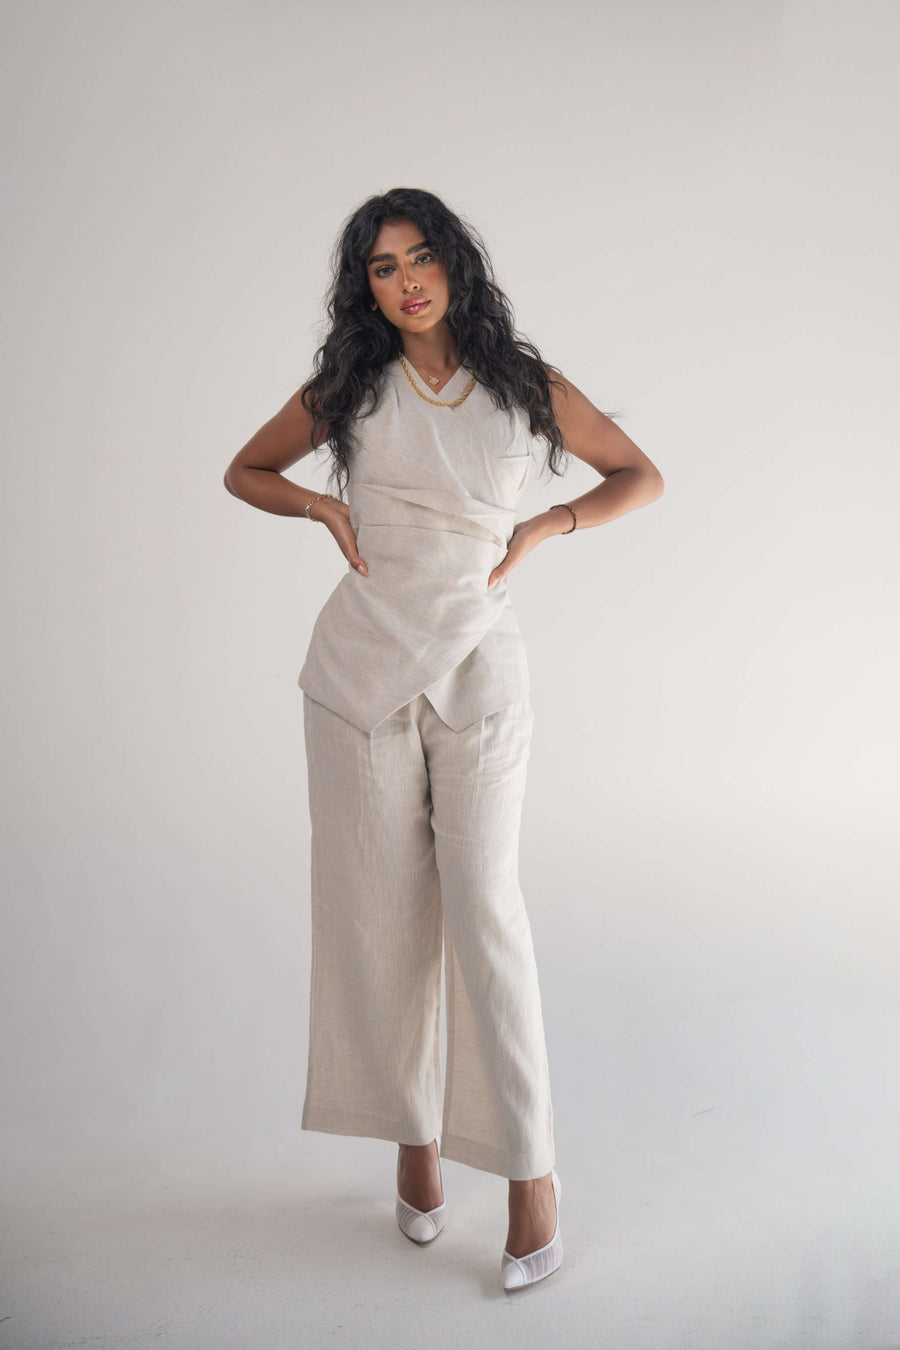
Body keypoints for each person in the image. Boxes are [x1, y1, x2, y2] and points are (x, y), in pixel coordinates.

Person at [223, 188, 664, 1290]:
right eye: (383, 267)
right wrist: (321, 509)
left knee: (485, 913)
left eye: (421, 257)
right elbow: (246, 469)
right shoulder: (350, 386)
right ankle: (415, 1152)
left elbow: (639, 475)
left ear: (455, 264)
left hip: (480, 669)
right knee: (381, 921)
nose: (407, 279)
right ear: (364, 288)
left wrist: (544, 523)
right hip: (358, 676)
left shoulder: (523, 385)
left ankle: (531, 1178)